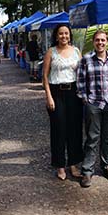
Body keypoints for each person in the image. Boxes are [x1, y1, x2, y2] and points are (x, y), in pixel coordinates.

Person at [76, 29, 108, 188]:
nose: (100, 43)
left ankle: (107, 165)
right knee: (92, 138)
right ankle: (87, 171)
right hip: (94, 104)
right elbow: (80, 82)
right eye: (97, 40)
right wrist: (85, 100)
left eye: (103, 40)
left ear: (107, 42)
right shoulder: (86, 60)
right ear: (93, 42)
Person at [42, 24, 84, 180]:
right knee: (59, 130)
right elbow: (45, 77)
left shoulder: (76, 51)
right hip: (56, 92)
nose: (64, 36)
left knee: (75, 129)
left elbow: (81, 73)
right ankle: (60, 166)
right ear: (56, 36)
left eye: (66, 33)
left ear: (70, 35)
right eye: (61, 34)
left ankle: (73, 164)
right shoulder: (51, 52)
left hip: (74, 93)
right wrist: (49, 96)